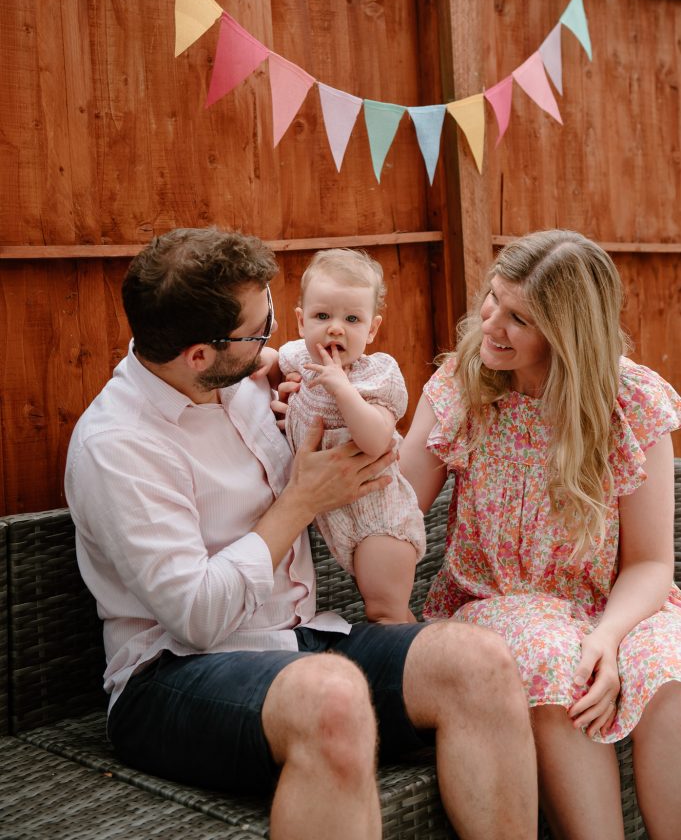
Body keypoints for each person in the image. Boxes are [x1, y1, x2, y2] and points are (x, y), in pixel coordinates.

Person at [64, 226, 538, 840]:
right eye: (259, 332)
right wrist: (302, 500)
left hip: (297, 642)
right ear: (199, 354)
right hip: (170, 677)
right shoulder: (118, 447)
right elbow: (197, 618)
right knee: (333, 697)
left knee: (477, 659)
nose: (275, 343)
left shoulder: (236, 382)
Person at [400, 228, 681, 840]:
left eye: (519, 317)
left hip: (608, 604)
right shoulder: (460, 387)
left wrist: (608, 636)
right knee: (560, 665)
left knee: (671, 666)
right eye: (493, 300)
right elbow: (394, 513)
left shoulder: (630, 400)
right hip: (498, 607)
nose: (491, 324)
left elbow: (653, 563)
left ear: (567, 330)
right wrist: (336, 406)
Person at [270, 248, 426, 624]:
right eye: (322, 316)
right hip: (335, 516)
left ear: (371, 329)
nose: (335, 328)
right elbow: (269, 361)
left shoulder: (377, 376)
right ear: (301, 321)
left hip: (380, 520)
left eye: (351, 319)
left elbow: (375, 441)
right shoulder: (298, 359)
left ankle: (420, 670)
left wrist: (342, 389)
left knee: (385, 613)